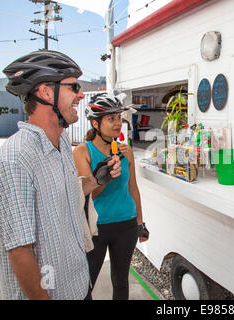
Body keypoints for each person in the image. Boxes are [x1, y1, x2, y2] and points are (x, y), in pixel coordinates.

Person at [0, 50, 121, 300]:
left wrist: (97, 179)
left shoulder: (61, 143)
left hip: (79, 288)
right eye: (74, 87)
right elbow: (19, 252)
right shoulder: (15, 159)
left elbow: (64, 195)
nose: (81, 95)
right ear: (46, 92)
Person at [73, 93, 149, 300]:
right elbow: (86, 192)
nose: (118, 123)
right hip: (97, 227)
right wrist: (102, 178)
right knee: (85, 284)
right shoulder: (82, 151)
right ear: (95, 123)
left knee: (121, 282)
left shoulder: (126, 150)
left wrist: (140, 223)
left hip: (127, 224)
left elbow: (132, 188)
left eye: (118, 117)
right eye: (111, 118)